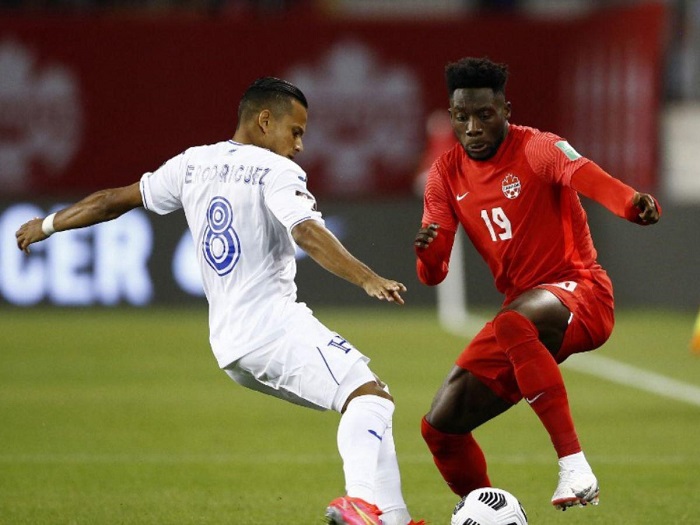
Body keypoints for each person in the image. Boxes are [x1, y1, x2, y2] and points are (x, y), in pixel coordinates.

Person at [16, 77, 423, 525]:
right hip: (273, 326)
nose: (300, 145)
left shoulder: (193, 163)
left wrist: (48, 224)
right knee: (369, 399)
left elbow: (112, 201)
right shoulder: (277, 171)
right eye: (296, 131)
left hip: (230, 344)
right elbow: (306, 230)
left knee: (370, 397)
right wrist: (366, 278)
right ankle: (360, 504)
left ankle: (395, 520)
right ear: (265, 121)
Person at [414, 57, 661, 511]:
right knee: (441, 427)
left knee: (512, 322)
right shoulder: (444, 174)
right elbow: (433, 273)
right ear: (451, 116)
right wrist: (427, 251)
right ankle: (486, 514)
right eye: (462, 117)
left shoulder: (538, 148)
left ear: (505, 111)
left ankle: (574, 466)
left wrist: (631, 203)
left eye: (484, 115)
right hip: (521, 314)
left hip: (581, 293)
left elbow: (588, 176)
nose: (472, 128)